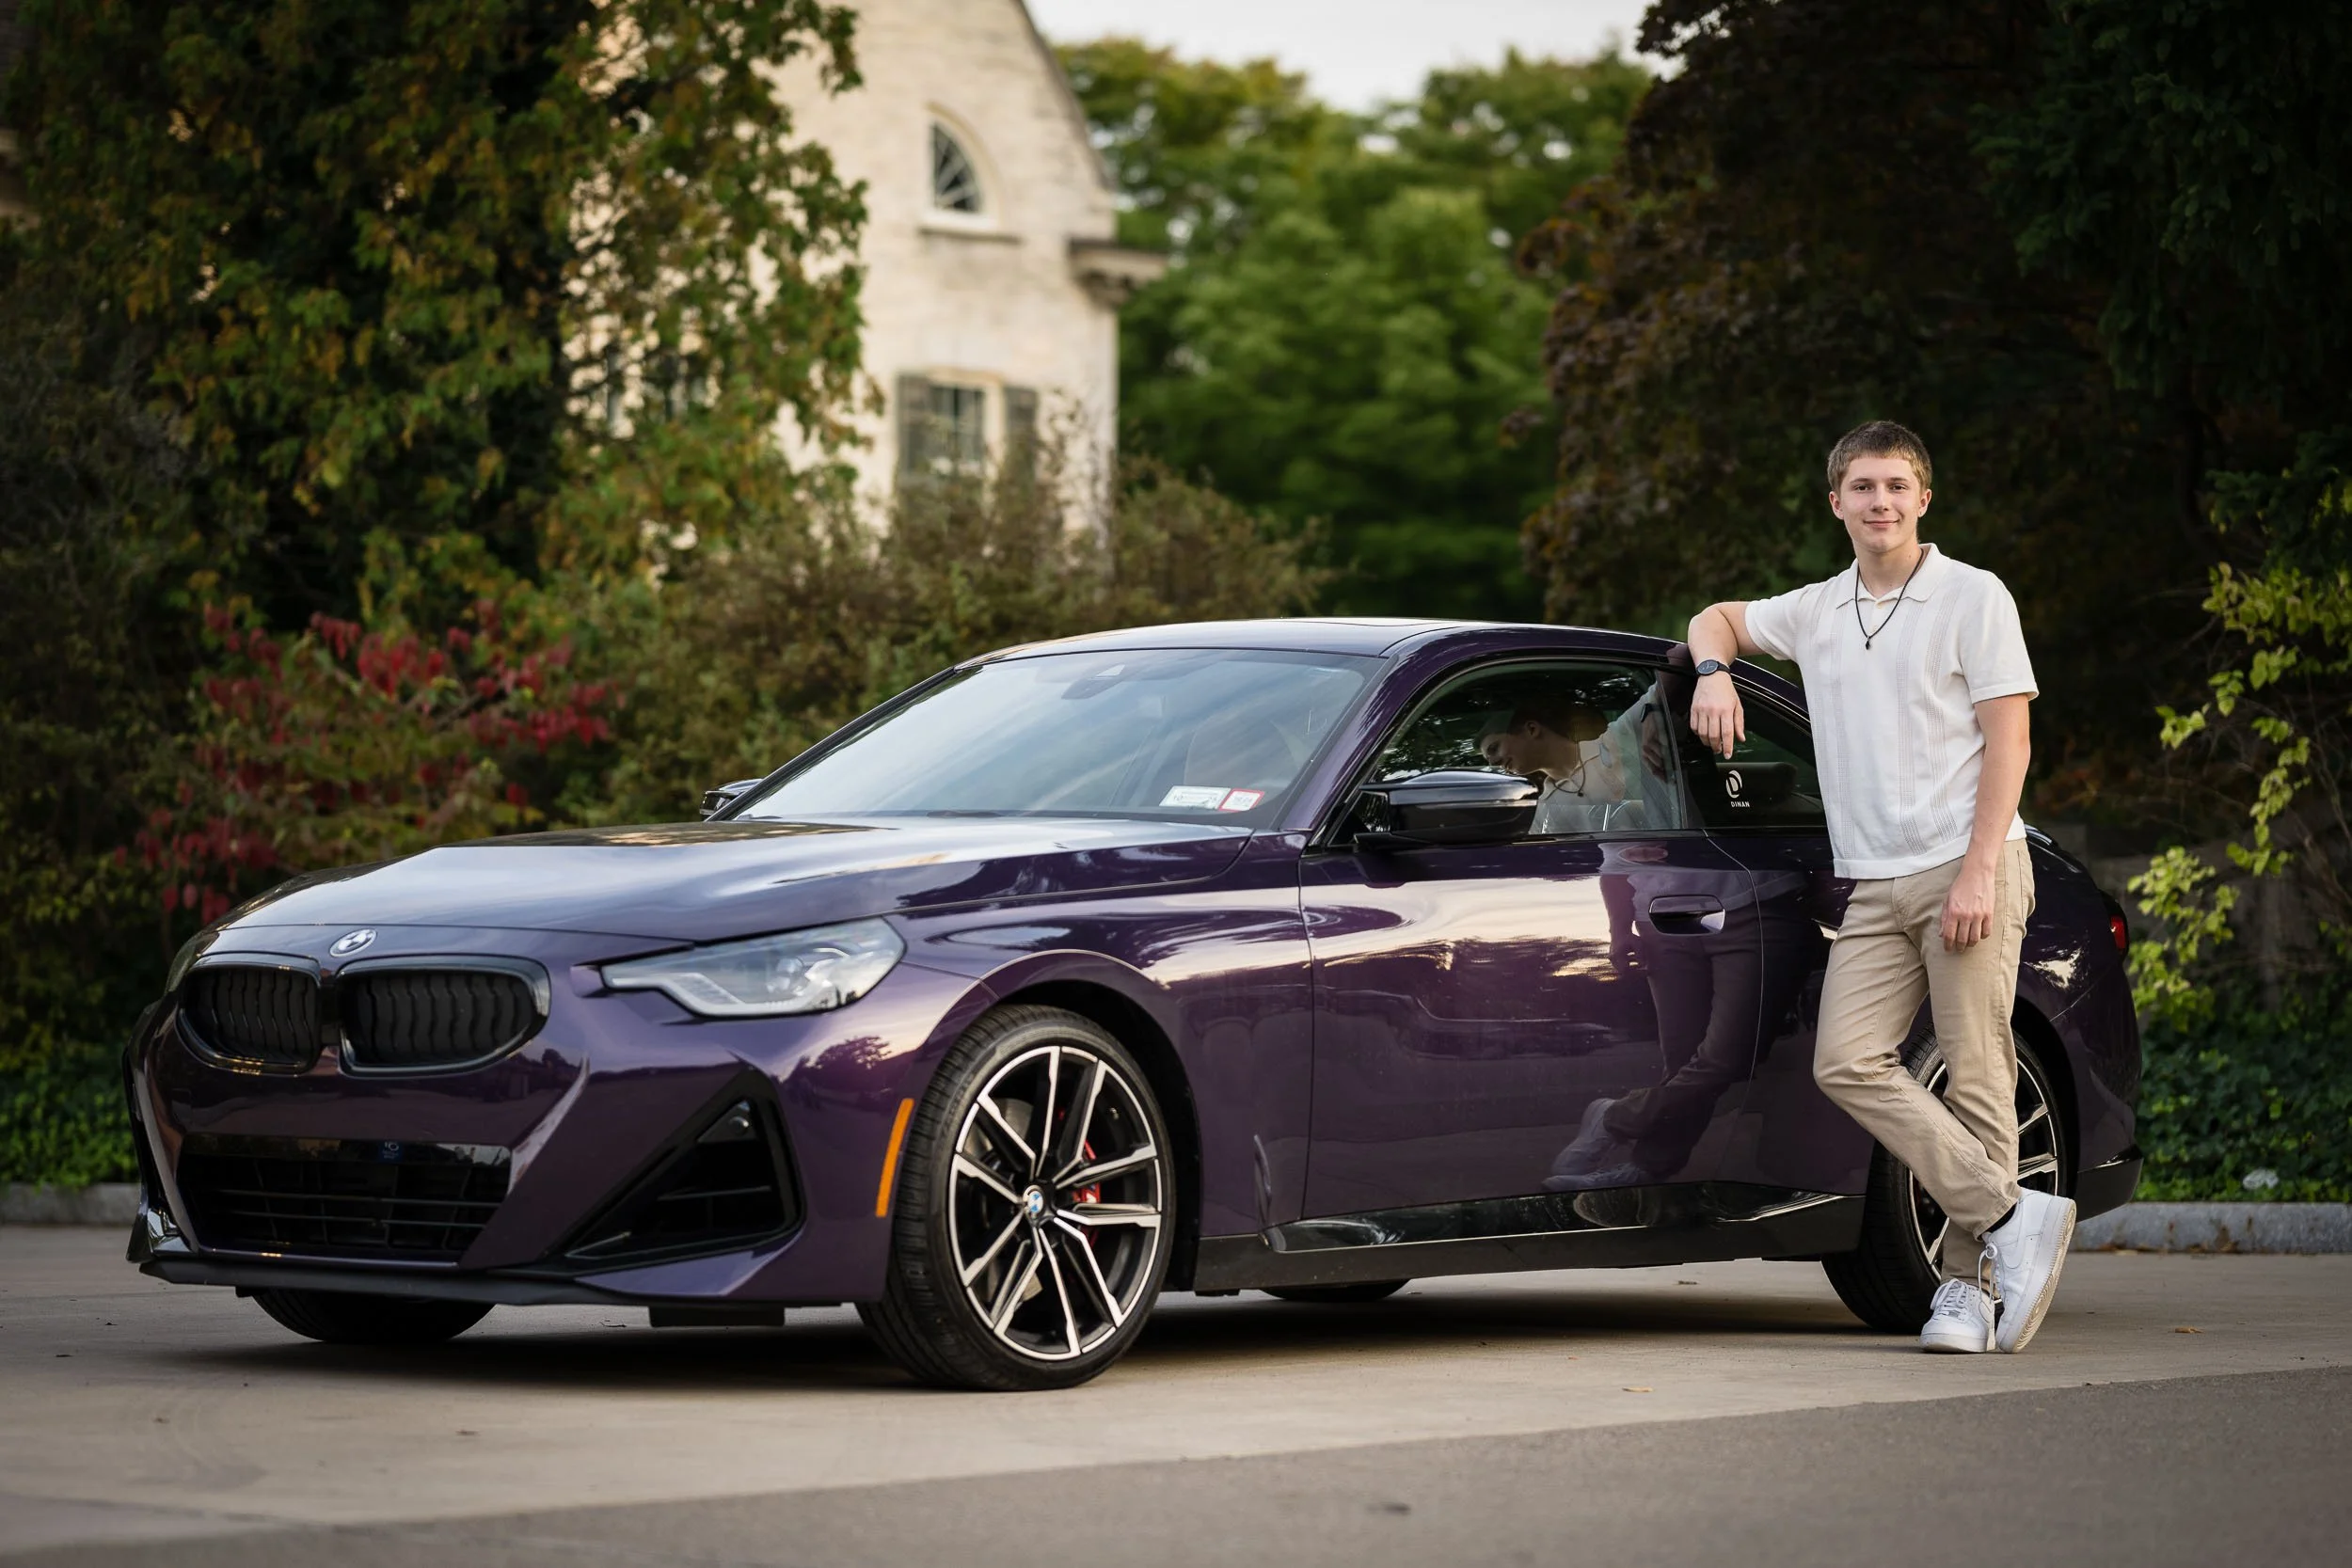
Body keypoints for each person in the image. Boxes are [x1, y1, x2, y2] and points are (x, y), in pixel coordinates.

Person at [1683, 420, 2075, 1355]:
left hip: (1960, 862)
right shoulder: (1818, 608)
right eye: (1862, 486)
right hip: (1872, 879)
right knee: (1846, 1059)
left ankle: (1963, 1290)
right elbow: (1718, 617)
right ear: (1836, 502)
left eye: (1897, 485)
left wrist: (1980, 867)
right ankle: (2009, 1213)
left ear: (1923, 498)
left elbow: (2009, 739)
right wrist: (1713, 671)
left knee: (1977, 1071)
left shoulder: (1971, 598)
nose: (1881, 502)